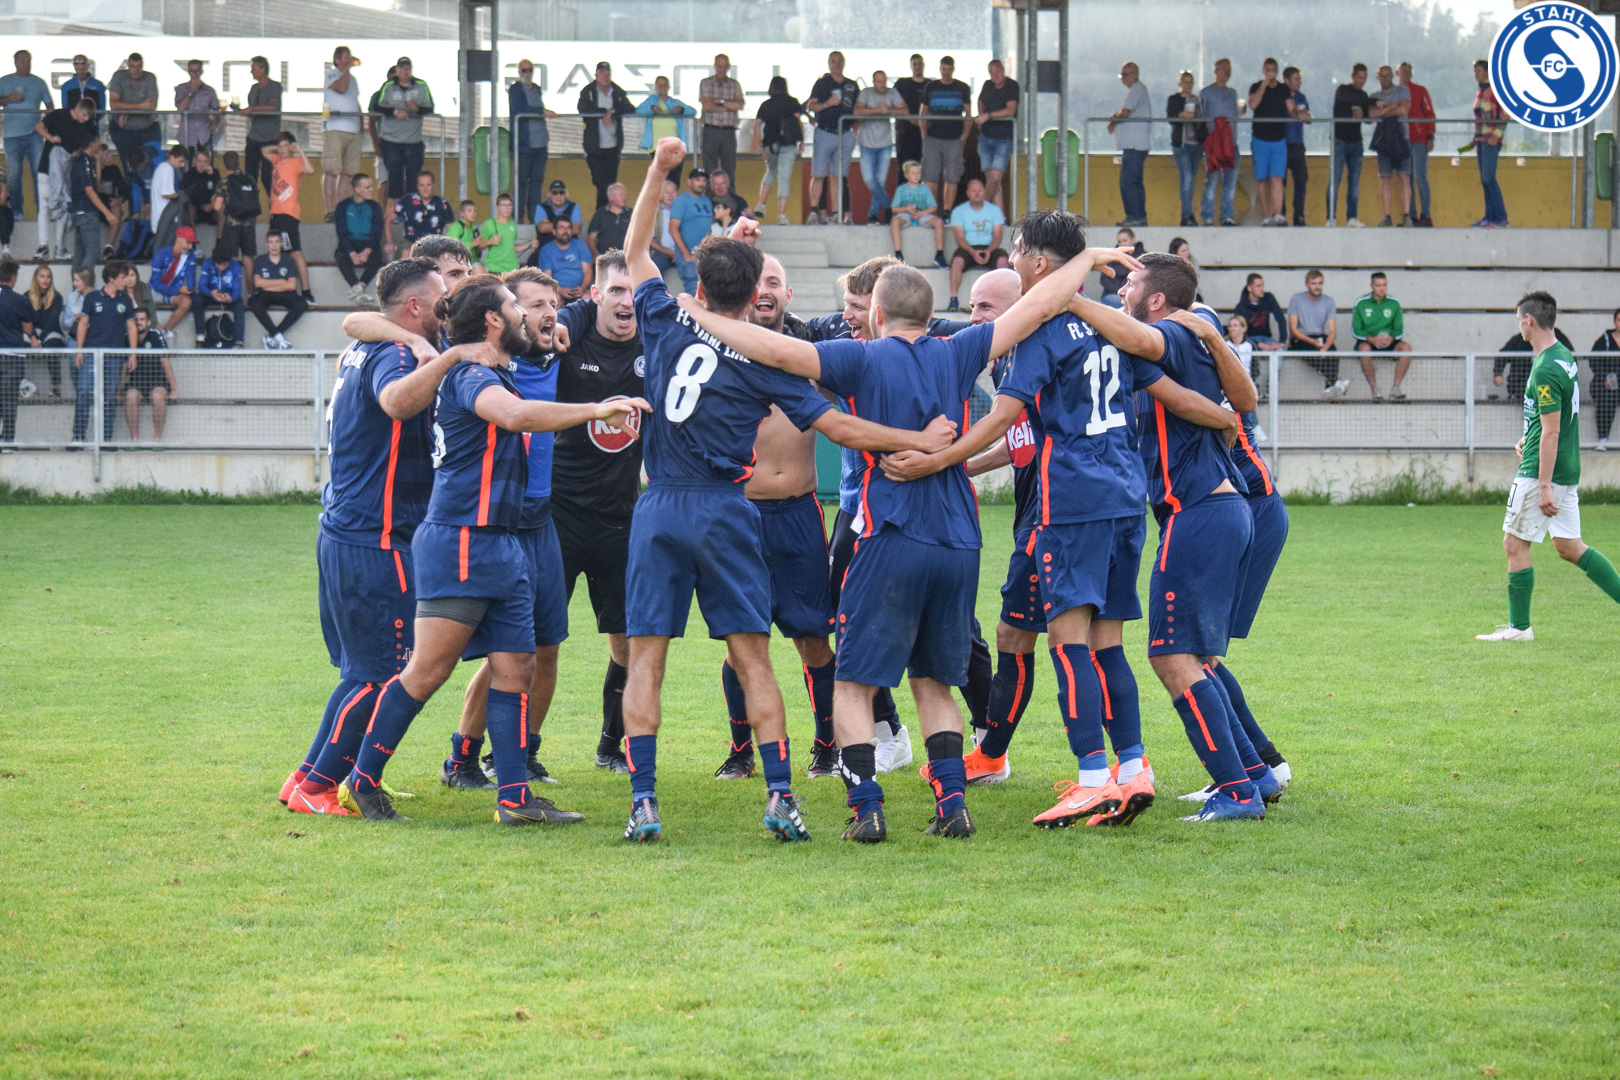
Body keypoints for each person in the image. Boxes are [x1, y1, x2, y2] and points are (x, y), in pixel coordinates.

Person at [691, 227, 1116, 841]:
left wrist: (698, 311)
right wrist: (1088, 257)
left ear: (877, 313)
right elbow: (1041, 303)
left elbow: (776, 351)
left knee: (853, 683)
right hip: (959, 540)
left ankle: (866, 808)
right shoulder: (960, 350)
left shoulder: (860, 357)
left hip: (890, 534)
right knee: (934, 681)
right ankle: (952, 805)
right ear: (930, 312)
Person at [615, 138, 960, 842]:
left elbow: (636, 249)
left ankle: (643, 801)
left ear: (701, 285)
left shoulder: (665, 317)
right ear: (755, 296)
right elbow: (840, 426)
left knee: (646, 657)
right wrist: (918, 439)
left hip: (659, 506)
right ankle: (779, 795)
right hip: (725, 507)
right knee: (753, 655)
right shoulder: (765, 359)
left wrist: (658, 170)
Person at [333, 274, 647, 824]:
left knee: (516, 666)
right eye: (519, 309)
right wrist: (598, 409)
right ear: (495, 320)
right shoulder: (470, 374)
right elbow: (517, 417)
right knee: (428, 671)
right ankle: (362, 781)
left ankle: (515, 798)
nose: (530, 317)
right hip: (461, 540)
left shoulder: (497, 370)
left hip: (502, 541)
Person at [280, 258, 514, 813]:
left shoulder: (372, 344)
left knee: (364, 672)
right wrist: (448, 355)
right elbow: (394, 401)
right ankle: (317, 787)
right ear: (414, 306)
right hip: (375, 538)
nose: (448, 304)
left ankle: (308, 777)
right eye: (442, 292)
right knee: (380, 675)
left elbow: (357, 322)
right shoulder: (398, 354)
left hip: (349, 531)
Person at [709, 251, 847, 782]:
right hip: (738, 515)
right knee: (741, 640)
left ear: (788, 295)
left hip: (799, 516)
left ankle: (827, 747)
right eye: (756, 281)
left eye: (775, 281)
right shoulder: (718, 352)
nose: (764, 289)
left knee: (813, 638)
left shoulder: (812, 357)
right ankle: (740, 750)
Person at [442, 266, 574, 789]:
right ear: (503, 316)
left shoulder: (561, 346)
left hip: (541, 520)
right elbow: (360, 322)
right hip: (494, 523)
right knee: (497, 653)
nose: (547, 314)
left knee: (546, 647)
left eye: (553, 304)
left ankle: (519, 757)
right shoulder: (482, 362)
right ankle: (462, 757)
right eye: (533, 305)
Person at [549, 250, 647, 774]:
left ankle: (611, 745)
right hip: (559, 515)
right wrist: (569, 315)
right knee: (538, 641)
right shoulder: (572, 338)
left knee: (628, 641)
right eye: (615, 291)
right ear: (595, 297)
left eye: (633, 291)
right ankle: (515, 752)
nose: (626, 301)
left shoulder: (654, 344)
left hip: (621, 517)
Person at [1476, 292, 1620, 642]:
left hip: (1542, 472)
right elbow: (1553, 419)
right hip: (1565, 468)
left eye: (1519, 320)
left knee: (1514, 543)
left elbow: (1552, 431)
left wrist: (1542, 485)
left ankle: (1519, 628)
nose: (1519, 326)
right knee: (1570, 547)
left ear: (1529, 320)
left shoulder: (1545, 368)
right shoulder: (1563, 356)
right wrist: (1529, 437)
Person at [72, 260, 137, 443]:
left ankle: (106, 439)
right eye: (122, 277)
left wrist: (133, 353)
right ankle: (78, 436)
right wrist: (79, 351)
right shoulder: (92, 297)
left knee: (109, 396)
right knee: (84, 392)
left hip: (114, 356)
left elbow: (132, 327)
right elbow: (83, 324)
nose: (126, 281)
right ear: (111, 279)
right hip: (91, 354)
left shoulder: (126, 300)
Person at [37, 97, 96, 261]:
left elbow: (90, 145)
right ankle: (43, 246)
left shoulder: (86, 126)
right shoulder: (59, 115)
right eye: (84, 115)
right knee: (45, 207)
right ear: (77, 108)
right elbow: (39, 126)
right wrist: (50, 138)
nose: (85, 119)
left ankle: (60, 247)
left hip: (66, 172)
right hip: (46, 168)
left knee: (64, 206)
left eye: (88, 117)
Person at [807, 52, 860, 225]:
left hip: (845, 134)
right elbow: (811, 105)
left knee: (838, 176)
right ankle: (814, 211)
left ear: (843, 63)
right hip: (825, 132)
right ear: (829, 64)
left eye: (839, 61)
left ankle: (837, 213)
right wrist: (827, 104)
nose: (836, 64)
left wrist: (855, 130)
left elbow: (858, 108)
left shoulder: (852, 85)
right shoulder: (822, 83)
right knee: (818, 174)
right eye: (833, 62)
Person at [371, 57, 434, 203]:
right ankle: (397, 206)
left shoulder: (421, 85)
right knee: (394, 174)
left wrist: (417, 108)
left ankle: (412, 206)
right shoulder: (388, 86)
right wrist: (395, 112)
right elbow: (378, 107)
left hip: (413, 140)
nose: (405, 71)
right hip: (391, 139)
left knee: (413, 176)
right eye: (402, 68)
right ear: (397, 70)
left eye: (407, 68)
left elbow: (430, 108)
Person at [2, 50, 51, 228]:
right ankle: (17, 211)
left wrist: (47, 123)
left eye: (28, 60)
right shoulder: (4, 81)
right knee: (14, 175)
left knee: (39, 173)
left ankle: (42, 211)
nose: (26, 63)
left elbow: (49, 105)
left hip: (34, 135)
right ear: (15, 62)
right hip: (11, 136)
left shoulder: (39, 82)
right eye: (22, 60)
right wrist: (9, 98)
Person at [576, 62, 635, 211]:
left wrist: (613, 112)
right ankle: (604, 214)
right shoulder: (588, 91)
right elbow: (582, 108)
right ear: (596, 75)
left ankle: (604, 214)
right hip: (594, 147)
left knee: (610, 184)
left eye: (608, 74)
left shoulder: (617, 91)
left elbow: (629, 107)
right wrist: (603, 112)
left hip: (612, 146)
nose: (605, 77)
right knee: (601, 184)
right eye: (602, 74)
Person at [263, 132, 314, 301]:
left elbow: (310, 169)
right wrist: (278, 148)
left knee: (294, 252)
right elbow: (264, 151)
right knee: (277, 251)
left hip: (288, 214)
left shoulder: (296, 161)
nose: (283, 149)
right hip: (275, 214)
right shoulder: (277, 160)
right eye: (281, 146)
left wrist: (298, 149)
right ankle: (282, 290)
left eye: (286, 145)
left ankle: (306, 292)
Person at [919, 56, 971, 217]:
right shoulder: (931, 87)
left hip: (954, 138)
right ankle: (931, 212)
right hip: (932, 137)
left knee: (952, 177)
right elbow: (922, 113)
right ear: (940, 69)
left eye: (949, 69)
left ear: (953, 69)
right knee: (930, 176)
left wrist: (964, 137)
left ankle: (947, 212)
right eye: (944, 69)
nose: (946, 72)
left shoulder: (962, 87)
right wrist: (924, 135)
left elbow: (968, 114)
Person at [946, 179, 1008, 312]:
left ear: (984, 192)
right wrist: (972, 252)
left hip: (989, 247)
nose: (977, 193)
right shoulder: (959, 211)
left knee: (1003, 260)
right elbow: (959, 238)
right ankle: (953, 299)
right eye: (973, 191)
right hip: (968, 247)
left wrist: (989, 251)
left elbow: (998, 236)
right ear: (968, 193)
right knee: (957, 262)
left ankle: (1005, 300)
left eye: (980, 190)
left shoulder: (994, 210)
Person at [508, 58, 556, 222]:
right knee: (521, 182)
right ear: (519, 72)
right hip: (524, 145)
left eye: (530, 70)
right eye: (524, 70)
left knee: (537, 182)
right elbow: (520, 109)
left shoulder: (536, 88)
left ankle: (534, 218)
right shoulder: (515, 89)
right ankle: (518, 218)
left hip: (541, 144)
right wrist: (542, 110)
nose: (527, 73)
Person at [854, 70, 904, 225]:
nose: (882, 85)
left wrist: (889, 110)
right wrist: (876, 110)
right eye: (878, 81)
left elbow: (905, 110)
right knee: (869, 179)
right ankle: (889, 207)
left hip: (885, 144)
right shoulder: (866, 93)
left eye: (884, 81)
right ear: (873, 82)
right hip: (866, 144)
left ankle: (873, 214)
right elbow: (856, 110)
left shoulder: (892, 93)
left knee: (880, 181)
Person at [1246, 58, 1292, 226]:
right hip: (1260, 139)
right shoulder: (1255, 87)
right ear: (1263, 71)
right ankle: (1266, 215)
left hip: (1278, 139)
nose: (1270, 73)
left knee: (1277, 178)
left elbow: (1291, 107)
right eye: (1267, 70)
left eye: (1273, 70)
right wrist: (1264, 84)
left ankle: (1278, 214)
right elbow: (1253, 105)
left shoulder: (1283, 89)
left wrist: (1299, 113)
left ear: (1277, 71)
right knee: (1262, 179)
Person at [321, 47, 365, 221]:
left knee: (349, 172)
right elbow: (341, 88)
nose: (349, 60)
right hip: (335, 128)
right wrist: (347, 68)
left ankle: (342, 209)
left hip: (353, 129)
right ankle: (330, 210)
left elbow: (354, 100)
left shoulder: (353, 79)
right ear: (337, 60)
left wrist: (361, 122)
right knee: (332, 169)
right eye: (345, 57)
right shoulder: (331, 74)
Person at [1352, 271, 1410, 398]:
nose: (1382, 289)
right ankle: (1375, 389)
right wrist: (1371, 339)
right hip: (1369, 340)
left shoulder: (1394, 303)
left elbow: (1399, 329)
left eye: (1384, 285)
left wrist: (1391, 338)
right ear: (1371, 286)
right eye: (1378, 285)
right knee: (1364, 349)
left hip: (1388, 341)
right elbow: (1356, 330)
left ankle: (1396, 388)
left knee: (1406, 348)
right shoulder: (1361, 303)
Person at [1199, 59, 1243, 227]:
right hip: (1214, 145)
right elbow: (1200, 117)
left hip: (1231, 144)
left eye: (1229, 69)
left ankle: (1227, 216)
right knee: (1211, 181)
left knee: (1230, 183)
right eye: (1224, 69)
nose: (1227, 72)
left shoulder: (1232, 93)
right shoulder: (1206, 93)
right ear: (1216, 71)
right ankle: (1207, 216)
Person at [753, 78, 803, 224]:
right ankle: (781, 215)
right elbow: (798, 122)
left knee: (771, 172)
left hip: (770, 144)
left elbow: (757, 125)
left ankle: (761, 204)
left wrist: (759, 146)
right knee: (784, 178)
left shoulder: (766, 105)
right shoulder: (793, 102)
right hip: (788, 144)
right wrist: (801, 141)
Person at [1368, 65, 1412, 228]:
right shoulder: (1374, 96)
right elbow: (1372, 113)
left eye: (1387, 76)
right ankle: (1387, 216)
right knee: (1385, 177)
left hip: (1402, 139)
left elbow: (1404, 109)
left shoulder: (1403, 90)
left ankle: (1406, 215)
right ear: (1377, 78)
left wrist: (1385, 109)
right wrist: (1393, 106)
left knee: (1404, 176)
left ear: (1393, 76)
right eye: (1382, 76)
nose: (1385, 79)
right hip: (1384, 141)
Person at [121, 308, 175, 441]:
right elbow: (124, 366)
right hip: (136, 381)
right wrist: (119, 390)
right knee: (130, 397)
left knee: (158, 397)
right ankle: (134, 439)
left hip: (157, 380)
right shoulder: (127, 336)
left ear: (148, 322)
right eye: (136, 319)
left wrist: (174, 389)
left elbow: (166, 362)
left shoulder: (156, 334)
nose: (138, 322)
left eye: (142, 319)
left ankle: (158, 439)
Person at [1287, 269, 1344, 396]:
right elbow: (1293, 329)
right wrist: (1312, 342)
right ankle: (1335, 382)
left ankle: (1330, 387)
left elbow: (1333, 331)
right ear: (1306, 284)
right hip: (1300, 338)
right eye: (1313, 283)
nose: (1317, 287)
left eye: (1320, 283)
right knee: (1315, 355)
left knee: (1333, 353)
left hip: (1319, 337)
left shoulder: (1329, 301)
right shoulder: (1296, 299)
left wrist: (1326, 347)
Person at [1328, 63, 1371, 228]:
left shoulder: (1363, 96)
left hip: (1356, 142)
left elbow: (1368, 118)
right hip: (1339, 141)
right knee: (1335, 180)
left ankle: (1352, 217)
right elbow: (1358, 100)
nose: (1362, 81)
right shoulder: (1343, 90)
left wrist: (1364, 114)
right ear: (1352, 76)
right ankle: (1331, 217)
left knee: (1354, 184)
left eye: (1364, 78)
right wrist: (1369, 103)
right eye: (1359, 77)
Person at [106, 52, 159, 186]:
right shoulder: (119, 76)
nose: (136, 70)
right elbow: (114, 104)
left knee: (149, 164)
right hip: (123, 130)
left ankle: (148, 196)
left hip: (147, 129)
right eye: (132, 66)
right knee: (128, 166)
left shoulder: (150, 77)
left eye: (139, 66)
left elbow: (151, 106)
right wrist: (139, 107)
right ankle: (132, 196)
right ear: (128, 66)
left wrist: (126, 111)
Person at [1110, 61, 1152, 227]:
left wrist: (1113, 120)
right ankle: (1139, 215)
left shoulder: (1136, 89)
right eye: (1121, 75)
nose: (1123, 78)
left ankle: (1134, 216)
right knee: (1135, 181)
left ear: (1135, 74)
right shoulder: (1138, 90)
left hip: (1135, 146)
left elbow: (1125, 113)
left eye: (1125, 74)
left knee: (1128, 182)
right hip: (1135, 145)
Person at [975, 59, 1019, 214]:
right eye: (992, 73)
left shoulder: (1012, 86)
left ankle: (979, 210)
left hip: (1003, 139)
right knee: (993, 181)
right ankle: (1000, 217)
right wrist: (981, 114)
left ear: (1003, 70)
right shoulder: (987, 85)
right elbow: (980, 100)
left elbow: (1011, 110)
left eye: (998, 72)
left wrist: (988, 115)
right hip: (985, 136)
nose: (996, 76)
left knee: (995, 177)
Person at [0, 259, 37, 444]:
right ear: (13, 278)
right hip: (12, 356)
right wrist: (32, 336)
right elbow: (28, 326)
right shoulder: (19, 300)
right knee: (8, 399)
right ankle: (7, 441)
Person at [250, 231, 307, 349]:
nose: (274, 245)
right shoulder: (260, 260)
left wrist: (267, 285)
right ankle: (278, 337)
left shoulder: (288, 260)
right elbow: (257, 283)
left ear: (281, 243)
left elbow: (292, 285)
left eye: (277, 242)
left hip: (285, 293)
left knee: (302, 304)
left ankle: (273, 336)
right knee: (254, 303)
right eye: (271, 242)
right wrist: (282, 281)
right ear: (266, 244)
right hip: (265, 294)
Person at [335, 172, 384, 303]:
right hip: (350, 243)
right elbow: (341, 233)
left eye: (371, 186)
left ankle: (360, 286)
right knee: (340, 255)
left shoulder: (375, 207)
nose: (372, 190)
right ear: (357, 189)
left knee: (377, 256)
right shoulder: (343, 206)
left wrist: (367, 250)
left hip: (368, 243)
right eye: (367, 187)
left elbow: (377, 233)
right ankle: (357, 287)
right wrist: (351, 253)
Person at [635, 75, 695, 182]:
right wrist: (651, 109)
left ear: (668, 87)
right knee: (659, 179)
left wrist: (681, 110)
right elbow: (638, 110)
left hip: (674, 147)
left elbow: (692, 111)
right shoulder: (651, 101)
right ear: (656, 87)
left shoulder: (674, 102)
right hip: (657, 147)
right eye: (660, 85)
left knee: (674, 179)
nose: (662, 88)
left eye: (664, 85)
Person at [68, 139, 116, 272]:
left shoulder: (87, 160)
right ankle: (83, 283)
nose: (100, 143)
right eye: (98, 140)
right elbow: (90, 190)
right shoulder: (82, 161)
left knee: (80, 255)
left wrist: (98, 162)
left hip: (79, 212)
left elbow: (97, 185)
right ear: (92, 143)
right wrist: (107, 213)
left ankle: (76, 283)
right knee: (92, 253)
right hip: (87, 212)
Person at [1471, 59, 1509, 228]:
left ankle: (1501, 216)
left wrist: (1497, 134)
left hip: (1491, 140)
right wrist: (1475, 137)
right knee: (1484, 179)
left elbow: (1505, 114)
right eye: (1475, 71)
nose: (1476, 74)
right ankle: (1489, 216)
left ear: (1487, 72)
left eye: (1479, 70)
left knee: (1489, 178)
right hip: (1481, 139)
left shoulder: (1495, 90)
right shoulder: (1480, 91)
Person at [236, 56, 282, 193]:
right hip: (254, 137)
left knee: (268, 177)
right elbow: (253, 109)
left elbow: (273, 106)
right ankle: (251, 204)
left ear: (263, 69)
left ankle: (274, 205)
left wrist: (252, 109)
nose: (252, 72)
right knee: (250, 177)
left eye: (254, 68)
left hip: (270, 139)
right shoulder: (254, 88)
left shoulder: (274, 86)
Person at [215, 150, 260, 287]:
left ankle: (234, 290)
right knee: (249, 257)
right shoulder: (251, 180)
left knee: (232, 257)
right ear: (238, 163)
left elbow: (217, 206)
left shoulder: (225, 182)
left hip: (232, 224)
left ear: (224, 164)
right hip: (249, 224)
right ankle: (251, 292)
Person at [889, 159, 945, 267]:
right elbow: (894, 209)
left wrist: (923, 213)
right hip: (906, 214)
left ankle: (939, 254)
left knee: (939, 222)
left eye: (918, 173)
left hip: (922, 214)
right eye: (913, 173)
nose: (916, 176)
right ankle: (898, 254)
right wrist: (906, 209)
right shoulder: (901, 189)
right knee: (895, 221)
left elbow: (933, 207)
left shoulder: (925, 189)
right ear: (906, 175)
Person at [384, 170, 451, 259]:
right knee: (406, 254)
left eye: (428, 185)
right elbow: (387, 219)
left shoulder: (442, 204)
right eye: (422, 185)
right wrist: (389, 242)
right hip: (410, 243)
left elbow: (452, 227)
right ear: (417, 186)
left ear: (433, 185)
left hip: (434, 245)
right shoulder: (408, 201)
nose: (425, 189)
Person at [698, 53, 745, 181]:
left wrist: (720, 101)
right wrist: (728, 106)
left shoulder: (734, 84)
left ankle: (730, 194)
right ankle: (710, 194)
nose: (722, 69)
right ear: (715, 66)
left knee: (729, 169)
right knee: (709, 169)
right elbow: (707, 105)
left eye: (724, 66)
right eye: (719, 66)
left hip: (728, 132)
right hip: (710, 130)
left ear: (728, 67)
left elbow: (739, 104)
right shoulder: (706, 83)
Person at [1167, 70, 1205, 228]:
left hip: (1196, 144)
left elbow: (1202, 120)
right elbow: (1171, 118)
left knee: (1191, 179)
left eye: (1190, 82)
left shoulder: (1197, 100)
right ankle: (1187, 215)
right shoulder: (1174, 99)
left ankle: (1188, 214)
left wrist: (1194, 117)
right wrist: (1181, 115)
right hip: (1181, 145)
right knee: (1187, 178)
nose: (1188, 85)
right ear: (1180, 83)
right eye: (1185, 82)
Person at [1399, 61, 1434, 227]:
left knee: (1420, 177)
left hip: (1419, 140)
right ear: (1398, 74)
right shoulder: (1396, 92)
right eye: (1403, 71)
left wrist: (1430, 136)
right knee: (1407, 179)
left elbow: (1429, 113)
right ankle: (1411, 216)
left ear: (1411, 73)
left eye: (1408, 71)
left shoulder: (1420, 91)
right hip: (1401, 141)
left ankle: (1425, 215)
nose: (1406, 74)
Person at [667, 167, 712, 294]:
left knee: (708, 293)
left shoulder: (707, 202)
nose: (701, 183)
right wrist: (686, 254)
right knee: (694, 292)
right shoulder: (681, 201)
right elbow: (673, 229)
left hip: (706, 256)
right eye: (697, 180)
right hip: (688, 257)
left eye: (704, 181)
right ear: (689, 182)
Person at [148, 224, 199, 336]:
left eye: (192, 243)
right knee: (136, 299)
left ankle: (166, 331)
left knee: (187, 302)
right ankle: (159, 331)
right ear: (179, 239)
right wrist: (178, 290)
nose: (190, 247)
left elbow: (191, 280)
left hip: (173, 292)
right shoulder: (161, 255)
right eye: (188, 243)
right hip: (155, 291)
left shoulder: (190, 255)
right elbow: (156, 284)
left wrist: (189, 289)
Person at [26, 263, 66, 397]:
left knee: (51, 344)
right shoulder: (26, 296)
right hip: (33, 332)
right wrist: (33, 338)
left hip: (52, 331)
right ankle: (25, 386)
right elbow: (26, 321)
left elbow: (52, 322)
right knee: (20, 342)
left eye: (48, 276)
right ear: (36, 278)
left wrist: (39, 341)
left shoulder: (57, 297)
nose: (45, 280)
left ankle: (56, 387)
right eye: (42, 276)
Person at [194, 243, 245, 348]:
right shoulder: (207, 263)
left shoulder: (235, 266)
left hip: (228, 296)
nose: (221, 268)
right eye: (218, 265)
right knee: (197, 299)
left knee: (239, 304)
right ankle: (200, 336)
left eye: (224, 265)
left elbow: (237, 290)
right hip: (211, 294)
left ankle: (239, 341)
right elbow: (201, 286)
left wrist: (231, 298)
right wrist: (211, 293)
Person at [475, 193, 532, 277]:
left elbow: (512, 248)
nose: (507, 208)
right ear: (497, 207)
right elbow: (478, 246)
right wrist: (489, 242)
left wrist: (530, 244)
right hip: (494, 267)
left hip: (512, 268)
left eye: (509, 205)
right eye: (503, 205)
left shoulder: (513, 224)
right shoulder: (489, 224)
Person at [537, 217, 592, 302]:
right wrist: (560, 290)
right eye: (561, 228)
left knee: (589, 298)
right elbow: (547, 277)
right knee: (555, 299)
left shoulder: (581, 246)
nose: (565, 231)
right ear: (554, 231)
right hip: (557, 290)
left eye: (568, 228)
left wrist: (583, 288)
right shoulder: (546, 250)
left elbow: (588, 271)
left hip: (580, 290)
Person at [1282, 66, 1311, 227]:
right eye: (1296, 79)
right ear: (1287, 81)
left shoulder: (1301, 97)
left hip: (1298, 145)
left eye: (1300, 79)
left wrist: (1306, 116)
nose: (1299, 82)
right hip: (1282, 143)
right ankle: (1281, 214)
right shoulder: (1279, 96)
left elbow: (1308, 116)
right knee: (1281, 181)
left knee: (1301, 180)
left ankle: (1299, 215)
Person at [1588, 311, 1620, 452]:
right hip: (1604, 384)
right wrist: (1604, 377)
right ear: (1614, 322)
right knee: (1607, 399)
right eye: (1619, 320)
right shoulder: (1605, 339)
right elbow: (1593, 360)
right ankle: (1602, 438)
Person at [148, 144, 188, 254]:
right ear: (172, 157)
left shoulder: (161, 168)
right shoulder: (167, 169)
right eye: (180, 161)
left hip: (159, 215)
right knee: (165, 250)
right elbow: (166, 194)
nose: (182, 165)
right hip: (164, 217)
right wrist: (179, 195)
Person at [173, 59, 219, 153]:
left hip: (204, 134)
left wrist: (213, 125)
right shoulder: (181, 88)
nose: (195, 74)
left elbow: (217, 111)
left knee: (206, 160)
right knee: (186, 161)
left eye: (197, 71)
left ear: (201, 71)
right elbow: (180, 108)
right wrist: (191, 92)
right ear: (188, 71)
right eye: (192, 71)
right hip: (186, 135)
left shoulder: (209, 91)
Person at [1233, 273, 1287, 352]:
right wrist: (1259, 344)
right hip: (1249, 340)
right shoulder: (1241, 307)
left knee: (1279, 351)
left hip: (1267, 338)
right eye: (1258, 286)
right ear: (1249, 288)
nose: (1262, 289)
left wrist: (1282, 341)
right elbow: (1240, 332)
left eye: (1262, 285)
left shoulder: (1268, 298)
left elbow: (1281, 319)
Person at [895, 54, 930, 169]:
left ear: (924, 65)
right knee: (904, 168)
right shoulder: (902, 84)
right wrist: (909, 118)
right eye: (915, 64)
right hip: (905, 134)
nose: (917, 66)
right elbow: (893, 105)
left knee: (924, 168)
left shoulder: (930, 85)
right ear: (910, 66)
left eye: (920, 64)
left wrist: (923, 121)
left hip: (925, 134)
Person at [1098, 226, 1145, 309]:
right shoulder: (1111, 256)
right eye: (1119, 241)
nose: (1121, 244)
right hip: (1112, 293)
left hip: (1133, 294)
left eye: (1124, 240)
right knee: (1112, 300)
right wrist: (1119, 291)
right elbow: (1104, 279)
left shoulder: (1142, 257)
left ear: (1133, 240)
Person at [586, 182, 631, 259]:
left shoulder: (632, 214)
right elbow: (591, 239)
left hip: (627, 258)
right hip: (606, 259)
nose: (624, 198)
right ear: (611, 197)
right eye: (621, 195)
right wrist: (596, 255)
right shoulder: (600, 214)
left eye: (625, 195)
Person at [181, 147, 220, 234]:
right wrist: (201, 205)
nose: (202, 164)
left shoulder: (215, 173)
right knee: (190, 209)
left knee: (222, 210)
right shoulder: (188, 175)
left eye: (205, 162)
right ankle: (192, 239)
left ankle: (220, 240)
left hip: (211, 207)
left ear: (209, 161)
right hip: (197, 208)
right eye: (200, 161)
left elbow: (220, 191)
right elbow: (186, 195)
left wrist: (212, 176)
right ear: (194, 161)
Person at [60, 55, 105, 128]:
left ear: (88, 65)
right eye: (78, 69)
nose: (80, 72)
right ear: (74, 66)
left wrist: (94, 120)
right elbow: (65, 107)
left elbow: (102, 107)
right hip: (72, 125)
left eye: (83, 69)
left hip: (91, 125)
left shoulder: (98, 85)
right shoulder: (66, 86)